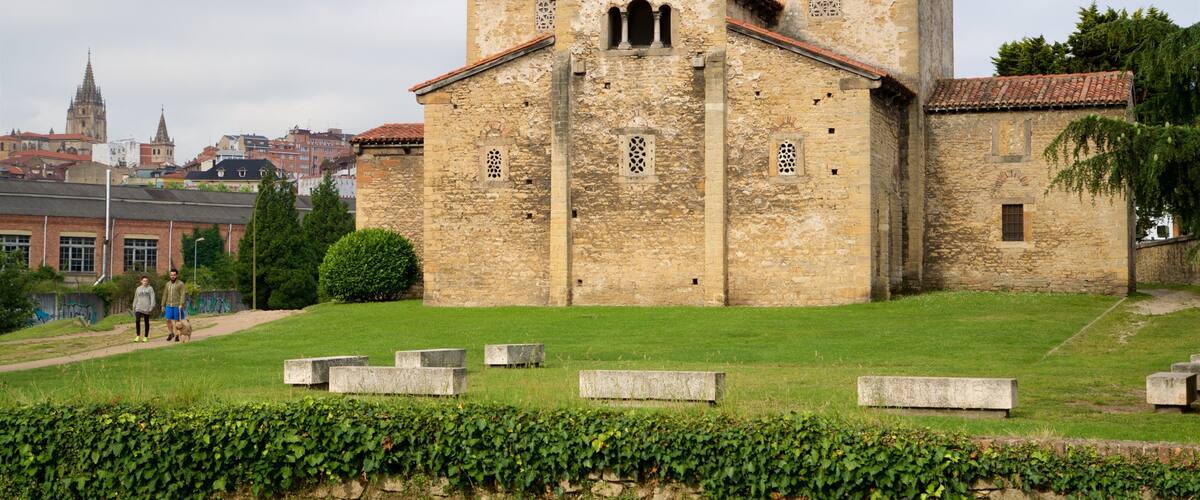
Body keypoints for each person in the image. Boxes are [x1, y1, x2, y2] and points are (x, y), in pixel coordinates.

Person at [162, 268, 187, 342]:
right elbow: (165, 294)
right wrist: (162, 305)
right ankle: (171, 333)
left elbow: (182, 294)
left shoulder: (180, 284)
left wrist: (181, 303)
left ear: (176, 275)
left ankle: (177, 335)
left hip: (177, 305)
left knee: (177, 321)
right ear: (170, 275)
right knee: (167, 319)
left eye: (174, 275)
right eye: (171, 275)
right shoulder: (167, 284)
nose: (172, 276)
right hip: (168, 304)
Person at [131, 275, 156, 343]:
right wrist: (134, 306)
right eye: (144, 281)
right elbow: (136, 298)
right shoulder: (138, 289)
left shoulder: (150, 288)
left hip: (146, 308)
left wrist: (151, 307)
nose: (145, 282)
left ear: (148, 282)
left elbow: (152, 298)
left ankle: (145, 336)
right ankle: (138, 335)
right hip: (138, 307)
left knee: (146, 322)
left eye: (146, 281)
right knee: (137, 320)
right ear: (141, 281)